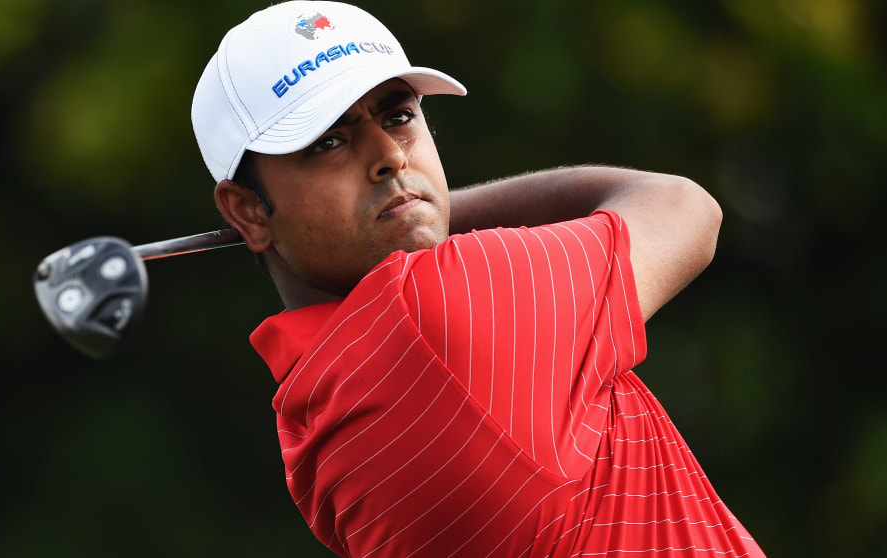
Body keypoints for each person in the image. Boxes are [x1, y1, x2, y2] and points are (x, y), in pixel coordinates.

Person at [191, 2, 765, 556]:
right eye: (329, 142)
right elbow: (681, 208)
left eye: (398, 116)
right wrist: (424, 205)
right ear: (246, 210)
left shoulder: (310, 423)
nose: (390, 155)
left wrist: (409, 210)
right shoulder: (440, 308)